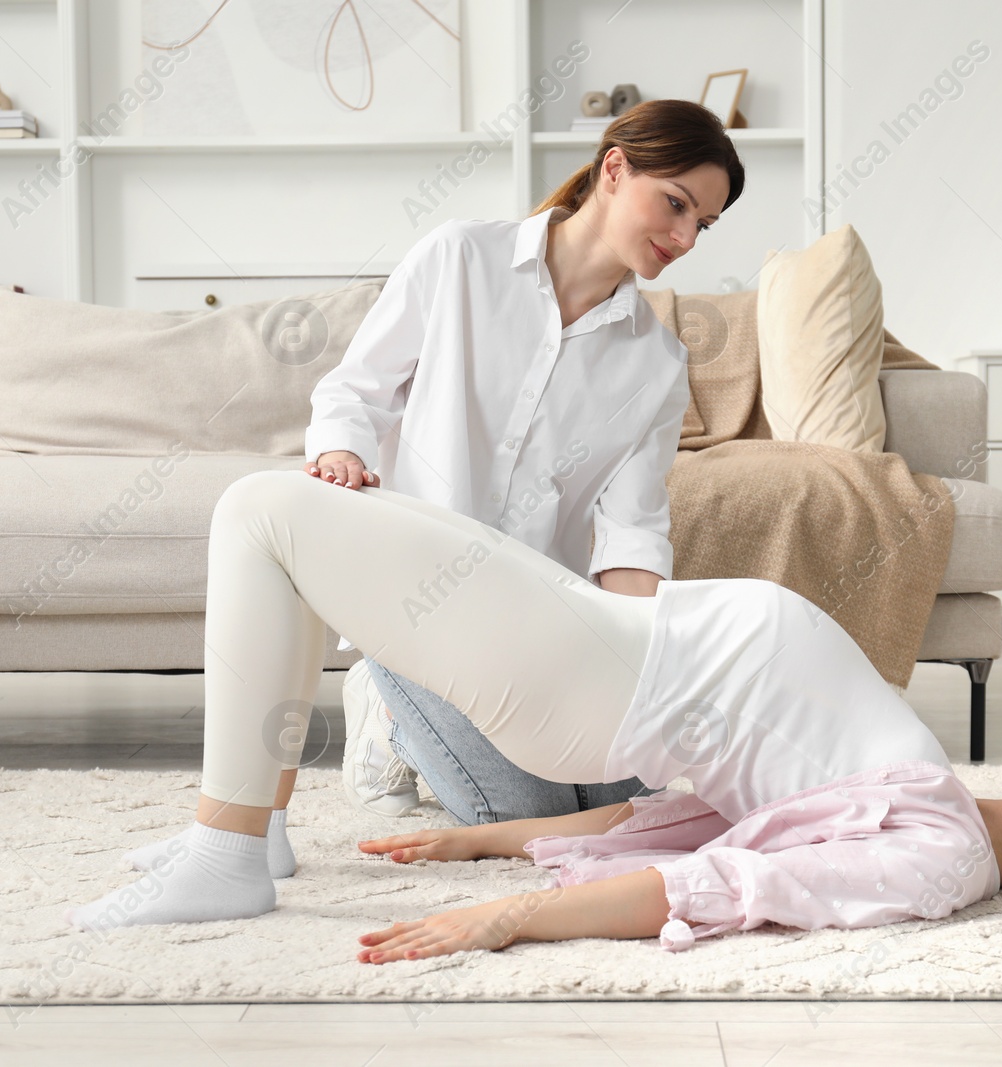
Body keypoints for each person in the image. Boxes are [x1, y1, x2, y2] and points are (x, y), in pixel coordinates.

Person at [69, 471, 1002, 962]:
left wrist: (509, 915)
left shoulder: (936, 859)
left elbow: (720, 885)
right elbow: (687, 821)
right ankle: (252, 829)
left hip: (593, 675)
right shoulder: (940, 809)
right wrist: (475, 842)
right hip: (598, 640)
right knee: (297, 531)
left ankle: (226, 852)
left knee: (261, 513)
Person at [301, 98, 744, 825]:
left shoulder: (657, 363)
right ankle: (386, 707)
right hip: (415, 602)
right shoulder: (459, 259)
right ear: (613, 168)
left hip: (537, 626)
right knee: (522, 812)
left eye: (705, 223)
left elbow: (632, 531)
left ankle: (437, 717)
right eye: (676, 204)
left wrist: (639, 673)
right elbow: (355, 390)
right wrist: (342, 453)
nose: (687, 236)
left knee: (624, 803)